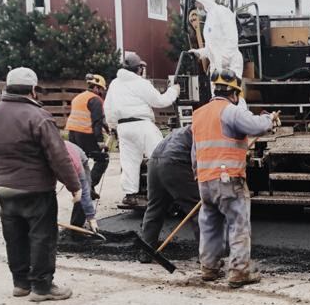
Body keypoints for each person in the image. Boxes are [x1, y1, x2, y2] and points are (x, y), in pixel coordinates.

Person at [0, 67, 81, 301]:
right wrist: (74, 186)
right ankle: (42, 287)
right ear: (34, 90)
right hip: (36, 190)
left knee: (14, 237)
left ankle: (21, 283)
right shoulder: (39, 117)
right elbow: (58, 155)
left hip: (5, 189)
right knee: (41, 236)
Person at [191, 71, 277, 287]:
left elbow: (195, 152)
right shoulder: (230, 111)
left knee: (209, 224)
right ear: (234, 93)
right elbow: (257, 126)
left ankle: (209, 268)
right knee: (238, 224)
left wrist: (197, 173)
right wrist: (269, 118)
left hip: (205, 180)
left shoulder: (199, 114)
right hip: (228, 179)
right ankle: (239, 271)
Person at [103, 51, 180, 206]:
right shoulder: (141, 83)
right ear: (138, 68)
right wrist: (174, 91)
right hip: (142, 124)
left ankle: (130, 195)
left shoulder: (114, 84)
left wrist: (113, 127)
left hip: (123, 127)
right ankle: (169, 191)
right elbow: (160, 101)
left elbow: (108, 108)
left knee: (129, 161)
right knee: (160, 156)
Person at [138, 126, 200, 260]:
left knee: (154, 209)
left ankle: (146, 253)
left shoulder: (181, 130)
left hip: (154, 162)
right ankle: (208, 257)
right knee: (198, 209)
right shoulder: (204, 130)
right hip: (174, 162)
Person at [65, 73, 109, 198]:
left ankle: (83, 188)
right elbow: (96, 121)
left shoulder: (78, 97)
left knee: (80, 160)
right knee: (102, 158)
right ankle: (89, 186)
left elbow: (94, 118)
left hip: (73, 134)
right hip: (85, 134)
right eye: (101, 90)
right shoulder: (95, 99)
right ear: (96, 88)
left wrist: (107, 128)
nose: (101, 93)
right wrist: (100, 141)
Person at [190, 0, 244, 77]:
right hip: (217, 66)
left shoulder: (221, 11)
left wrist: (222, 60)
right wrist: (199, 53)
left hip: (231, 65)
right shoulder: (210, 18)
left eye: (197, 2)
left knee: (230, 91)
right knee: (216, 91)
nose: (196, 6)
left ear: (202, 0)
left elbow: (232, 39)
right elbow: (211, 48)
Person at [65, 140, 99, 233]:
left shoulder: (75, 164)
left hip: (80, 159)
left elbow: (82, 190)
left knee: (82, 193)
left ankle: (76, 227)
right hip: (62, 161)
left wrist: (91, 218)